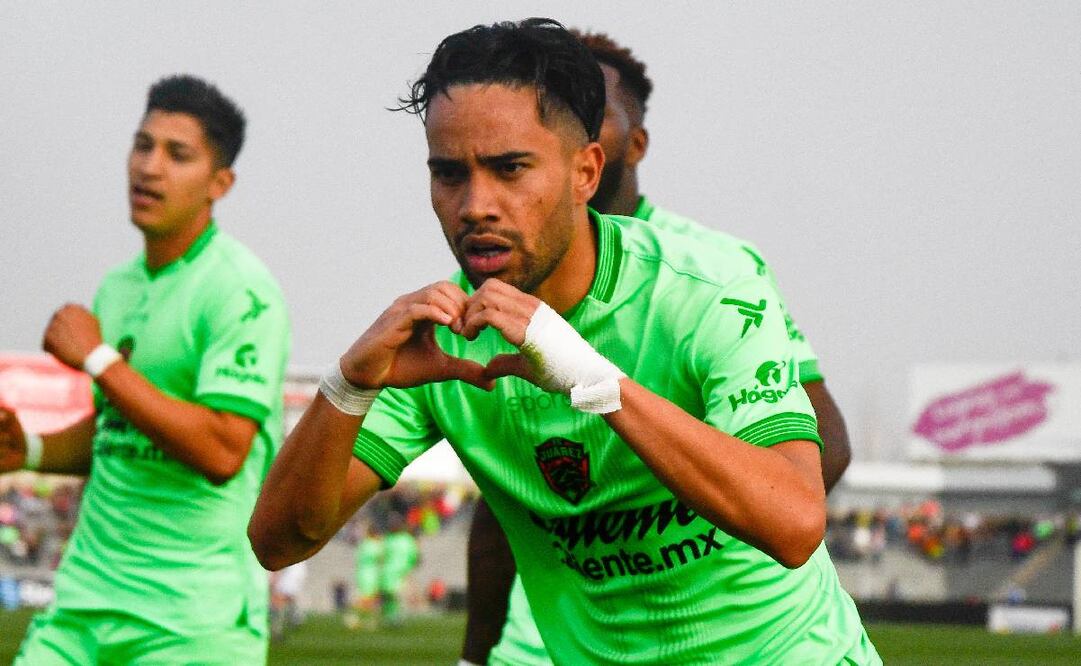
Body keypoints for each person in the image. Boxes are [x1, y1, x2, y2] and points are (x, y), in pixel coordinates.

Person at [249, 18, 879, 664]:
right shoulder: (442, 341)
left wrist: (594, 382)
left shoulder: (708, 287)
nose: (474, 205)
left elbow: (795, 521)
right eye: (448, 174)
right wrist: (348, 386)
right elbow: (279, 541)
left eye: (509, 169)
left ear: (585, 172)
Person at [464, 29, 855, 666]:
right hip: (548, 639)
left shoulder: (712, 272)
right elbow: (501, 499)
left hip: (714, 628)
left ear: (619, 148)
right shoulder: (494, 281)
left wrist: (684, 518)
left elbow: (821, 447)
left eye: (594, 109)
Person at [0, 75, 289, 664]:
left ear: (220, 183)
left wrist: (100, 360)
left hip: (191, 621)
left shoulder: (242, 291)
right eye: (143, 146)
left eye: (177, 154)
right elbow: (119, 430)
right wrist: (27, 449)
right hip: (82, 607)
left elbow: (220, 450)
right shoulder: (118, 287)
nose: (149, 167)